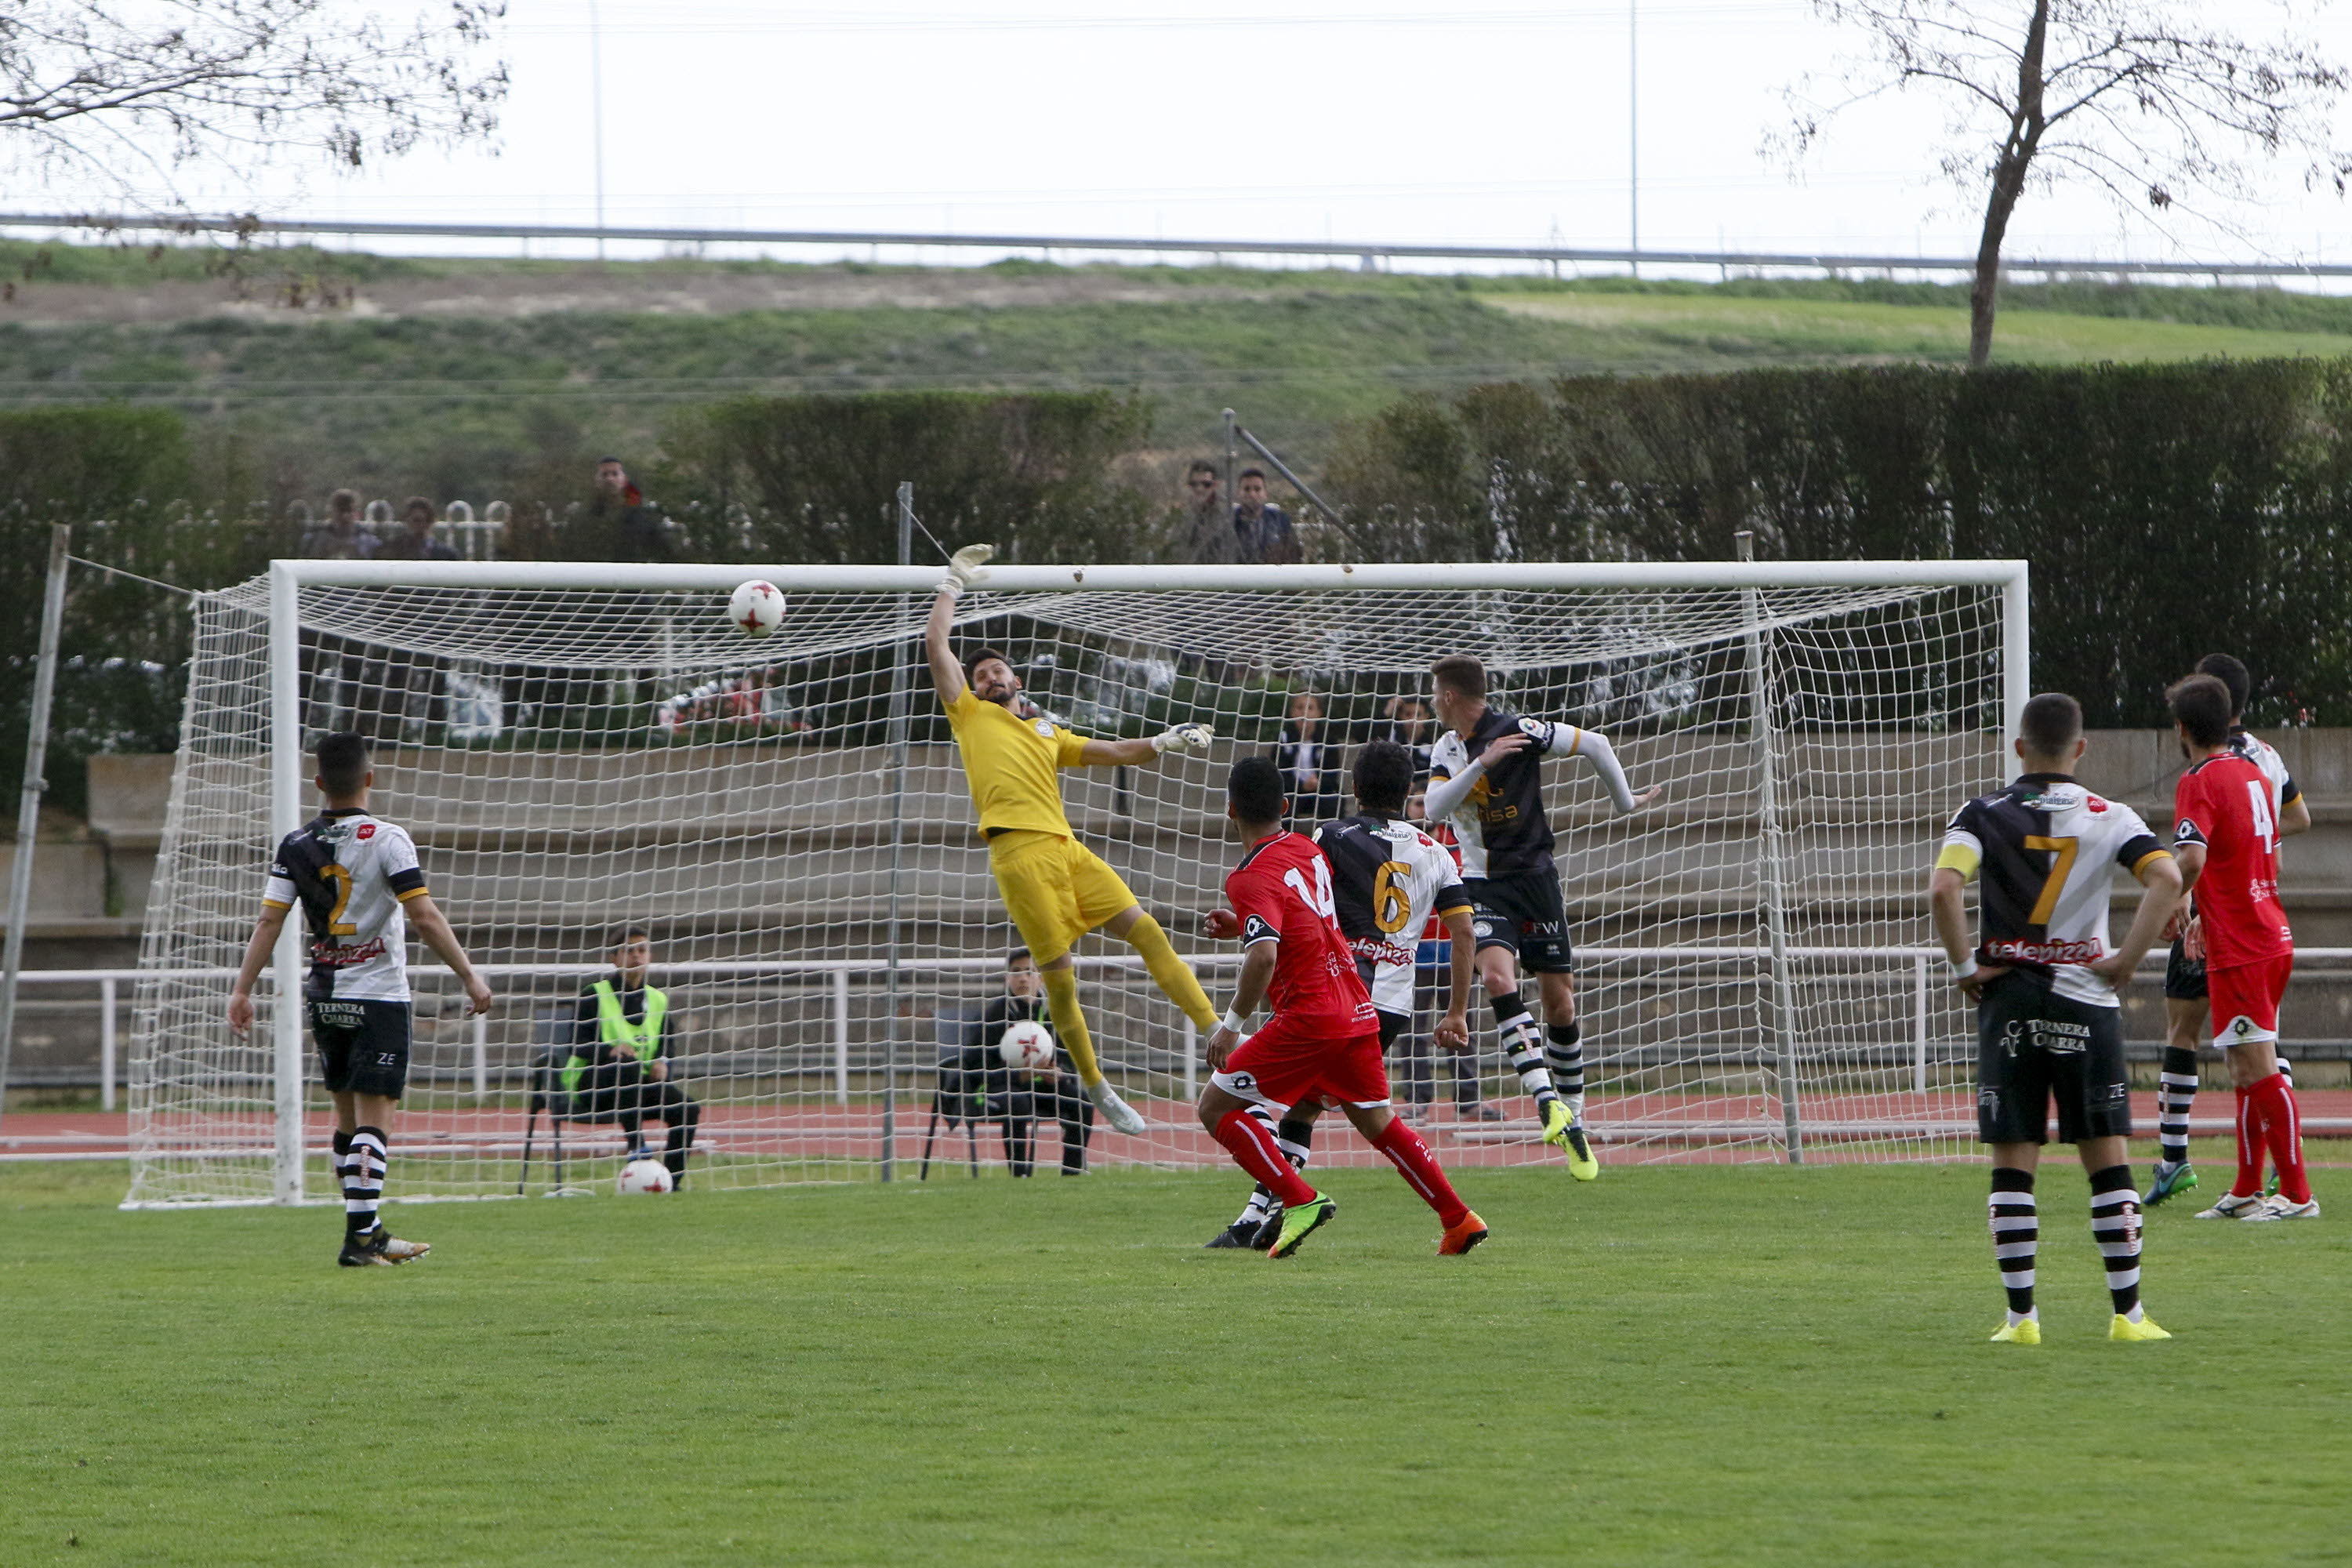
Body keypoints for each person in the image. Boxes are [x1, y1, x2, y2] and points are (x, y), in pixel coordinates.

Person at [926, 543, 1222, 1135]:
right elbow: (937, 646)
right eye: (980, 674)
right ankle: (1097, 1088)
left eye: (996, 671)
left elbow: (1113, 751)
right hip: (1018, 855)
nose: (988, 678)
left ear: (1016, 679)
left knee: (1146, 929)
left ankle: (1216, 1031)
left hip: (1067, 850)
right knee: (1060, 980)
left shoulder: (1045, 731)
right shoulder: (969, 715)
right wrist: (951, 583)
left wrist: (1165, 741)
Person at [1931, 691, 2181, 1344]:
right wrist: (2126, 958)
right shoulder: (2111, 815)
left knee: (2014, 1159)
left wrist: (1964, 969)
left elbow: (1942, 887)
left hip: (2009, 1000)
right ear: (2080, 748)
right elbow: (2167, 882)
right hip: (2086, 1001)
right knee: (2108, 1160)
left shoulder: (1982, 813)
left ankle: (2021, 1320)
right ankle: (2128, 1316)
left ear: (2020, 748)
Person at [1197, 757, 1487, 1258]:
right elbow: (1462, 930)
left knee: (1219, 1105)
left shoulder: (1320, 840)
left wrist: (1230, 1026)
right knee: (1370, 1120)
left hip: (1314, 1008)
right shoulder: (1318, 848)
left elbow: (1266, 951)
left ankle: (1294, 1202)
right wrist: (1457, 1009)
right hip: (1370, 1005)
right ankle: (1459, 1218)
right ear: (1285, 808)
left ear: (1230, 811)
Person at [225, 732, 493, 1266]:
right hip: (378, 996)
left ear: (319, 782)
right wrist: (468, 975)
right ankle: (364, 1237)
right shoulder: (389, 839)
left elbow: (270, 920)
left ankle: (361, 1236)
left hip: (325, 996)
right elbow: (423, 915)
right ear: (369, 778)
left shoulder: (295, 844)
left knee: (348, 1122)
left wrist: (242, 988)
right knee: (377, 1118)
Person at [1424, 653, 1661, 1176]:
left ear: (1449, 696)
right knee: (1494, 974)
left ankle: (1572, 1119)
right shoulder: (1448, 747)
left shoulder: (1521, 729)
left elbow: (1596, 744)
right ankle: (1545, 1100)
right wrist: (1482, 764)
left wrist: (1625, 803)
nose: (1431, 702)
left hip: (1535, 881)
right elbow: (1435, 808)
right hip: (1483, 884)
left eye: (1433, 693)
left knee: (1560, 1002)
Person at [2145, 653, 2310, 1208]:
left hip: (2244, 939)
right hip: (2263, 927)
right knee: (2244, 1060)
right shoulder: (2256, 772)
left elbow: (2190, 859)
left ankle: (2296, 1191)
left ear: (2183, 729)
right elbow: (2267, 859)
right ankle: (2245, 1188)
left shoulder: (2201, 780)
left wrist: (2172, 902)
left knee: (2256, 1064)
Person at [564, 927, 702, 1188]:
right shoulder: (595, 994)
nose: (636, 956)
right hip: (593, 1087)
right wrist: (609, 1050)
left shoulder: (658, 1000)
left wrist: (663, 1063)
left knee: (686, 1108)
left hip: (634, 1091)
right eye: (629, 950)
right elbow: (573, 1044)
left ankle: (671, 1182)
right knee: (625, 1065)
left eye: (642, 950)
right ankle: (636, 1144)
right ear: (614, 958)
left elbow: (665, 1046)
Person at [966, 949, 1095, 1176]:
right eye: (1016, 972)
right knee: (1018, 1103)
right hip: (999, 1088)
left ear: (1041, 978)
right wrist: (1017, 1075)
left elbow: (1067, 1059)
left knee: (1082, 1103)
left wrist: (1058, 1072)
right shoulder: (994, 1015)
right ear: (1007, 978)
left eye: (1030, 972)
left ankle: (1072, 1174)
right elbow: (975, 1068)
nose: (1023, 978)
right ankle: (1019, 1175)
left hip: (1042, 1085)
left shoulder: (1054, 1012)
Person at [572, 457, 670, 561]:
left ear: (625, 480)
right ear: (597, 481)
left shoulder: (643, 517)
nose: (610, 479)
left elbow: (664, 556)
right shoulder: (582, 519)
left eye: (615, 474)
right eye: (604, 474)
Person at [1272, 691, 1345, 821]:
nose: (1304, 713)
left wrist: (1317, 783)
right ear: (1292, 712)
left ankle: (1331, 839)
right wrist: (1301, 786)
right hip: (1292, 792)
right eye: (1299, 708)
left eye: (1310, 708)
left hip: (1320, 792)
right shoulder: (1283, 739)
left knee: (1335, 800)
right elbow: (1277, 773)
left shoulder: (1328, 740)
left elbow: (1332, 774)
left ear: (1318, 714)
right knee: (1280, 803)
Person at [1232, 468, 1301, 564]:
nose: (1252, 494)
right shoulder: (1227, 523)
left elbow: (1293, 557)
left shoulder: (1281, 522)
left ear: (1266, 494)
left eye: (1257, 489)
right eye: (1247, 489)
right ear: (1238, 494)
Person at [1174, 459, 1233, 564]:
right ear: (1189, 486)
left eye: (1206, 484)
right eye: (1195, 484)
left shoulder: (1226, 515)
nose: (1200, 489)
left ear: (1215, 485)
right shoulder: (1183, 515)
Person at [374, 496, 459, 561]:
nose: (422, 525)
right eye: (416, 520)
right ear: (406, 520)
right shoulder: (388, 550)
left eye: (428, 520)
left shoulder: (447, 555)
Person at [300, 488, 376, 559]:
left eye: (349, 511)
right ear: (331, 512)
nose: (345, 516)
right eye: (341, 510)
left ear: (357, 513)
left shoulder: (367, 540)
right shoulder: (316, 538)